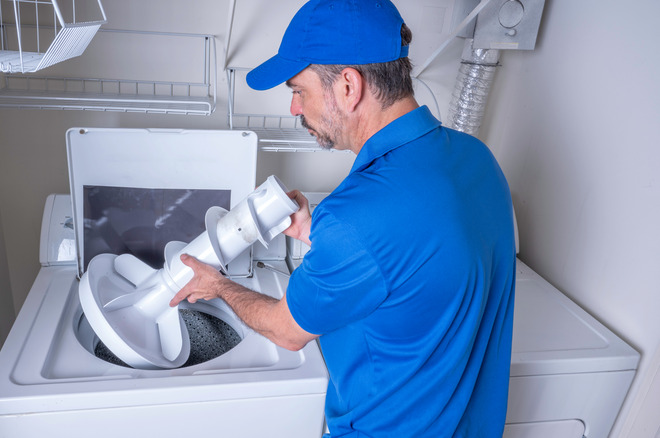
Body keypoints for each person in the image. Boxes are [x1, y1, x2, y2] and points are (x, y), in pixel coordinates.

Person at [170, 0, 516, 436]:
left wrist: (216, 284)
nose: (296, 108)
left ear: (348, 87)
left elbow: (286, 331)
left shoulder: (356, 217)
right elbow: (418, 262)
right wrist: (314, 232)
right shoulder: (478, 161)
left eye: (299, 90)